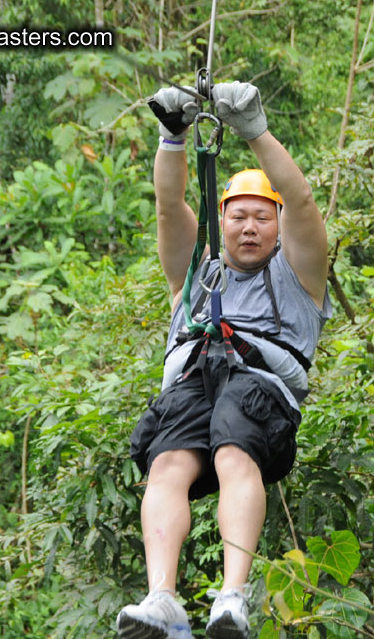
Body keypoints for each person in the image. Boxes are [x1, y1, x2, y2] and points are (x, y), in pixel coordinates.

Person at [117, 81, 331, 639]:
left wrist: (255, 131)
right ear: (222, 220)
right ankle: (161, 596)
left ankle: (231, 596)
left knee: (235, 449)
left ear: (279, 225)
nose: (250, 226)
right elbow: (169, 205)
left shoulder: (298, 274)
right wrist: (172, 138)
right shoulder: (197, 273)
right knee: (166, 466)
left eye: (263, 217)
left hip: (257, 388)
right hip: (191, 382)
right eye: (238, 216)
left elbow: (304, 203)